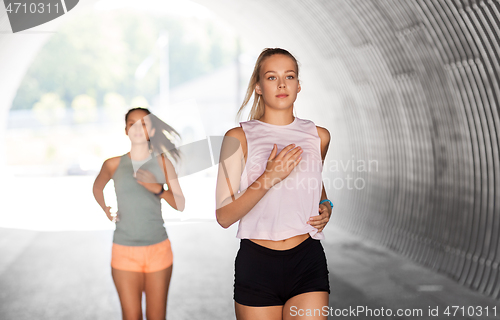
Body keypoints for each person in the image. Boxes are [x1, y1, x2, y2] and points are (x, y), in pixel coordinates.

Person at [215, 48, 333, 320]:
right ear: (258, 86)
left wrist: (326, 205)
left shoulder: (319, 136)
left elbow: (316, 184)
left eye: (289, 76)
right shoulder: (239, 137)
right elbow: (224, 216)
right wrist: (268, 178)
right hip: (257, 263)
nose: (282, 84)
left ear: (298, 85)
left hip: (307, 259)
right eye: (271, 77)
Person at [93, 107, 185, 320]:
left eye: (143, 123)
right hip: (124, 250)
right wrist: (106, 208)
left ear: (152, 131)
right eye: (132, 123)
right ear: (126, 130)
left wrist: (159, 190)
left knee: (156, 317)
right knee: (131, 316)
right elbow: (97, 188)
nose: (137, 128)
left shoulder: (163, 162)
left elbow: (180, 203)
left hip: (158, 250)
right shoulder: (113, 164)